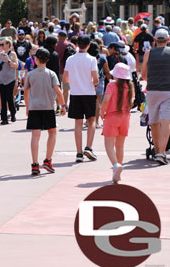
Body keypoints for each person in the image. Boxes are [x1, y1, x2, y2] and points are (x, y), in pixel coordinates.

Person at [24, 48, 65, 176]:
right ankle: (48, 159)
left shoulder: (30, 74)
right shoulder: (51, 74)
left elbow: (26, 92)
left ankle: (35, 164)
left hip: (34, 107)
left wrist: (27, 107)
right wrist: (63, 105)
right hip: (48, 107)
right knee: (52, 132)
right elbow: (58, 91)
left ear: (36, 60)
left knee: (35, 135)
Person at [64, 35, 99, 163]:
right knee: (91, 121)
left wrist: (74, 81)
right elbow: (95, 78)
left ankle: (79, 152)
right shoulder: (92, 59)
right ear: (88, 45)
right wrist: (93, 83)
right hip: (88, 92)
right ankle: (89, 147)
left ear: (77, 44)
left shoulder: (70, 59)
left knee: (78, 123)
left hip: (75, 92)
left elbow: (65, 78)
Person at [141, 28, 170, 165]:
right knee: (166, 121)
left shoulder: (149, 53)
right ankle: (162, 153)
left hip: (152, 90)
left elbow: (143, 75)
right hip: (168, 90)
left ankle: (157, 149)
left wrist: (151, 80)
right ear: (168, 40)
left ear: (155, 40)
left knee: (154, 121)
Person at [101, 63, 134, 183]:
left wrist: (101, 112)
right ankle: (118, 169)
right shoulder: (129, 86)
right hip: (125, 117)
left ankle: (115, 165)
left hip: (112, 116)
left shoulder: (111, 85)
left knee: (109, 145)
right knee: (120, 146)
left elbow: (106, 100)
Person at [0, 37, 19, 125]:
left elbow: (16, 66)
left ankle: (13, 114)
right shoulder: (1, 54)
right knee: (3, 99)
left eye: (3, 44)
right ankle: (4, 118)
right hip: (1, 79)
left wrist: (8, 61)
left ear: (8, 45)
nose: (2, 46)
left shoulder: (13, 54)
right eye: (1, 44)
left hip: (10, 79)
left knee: (9, 98)